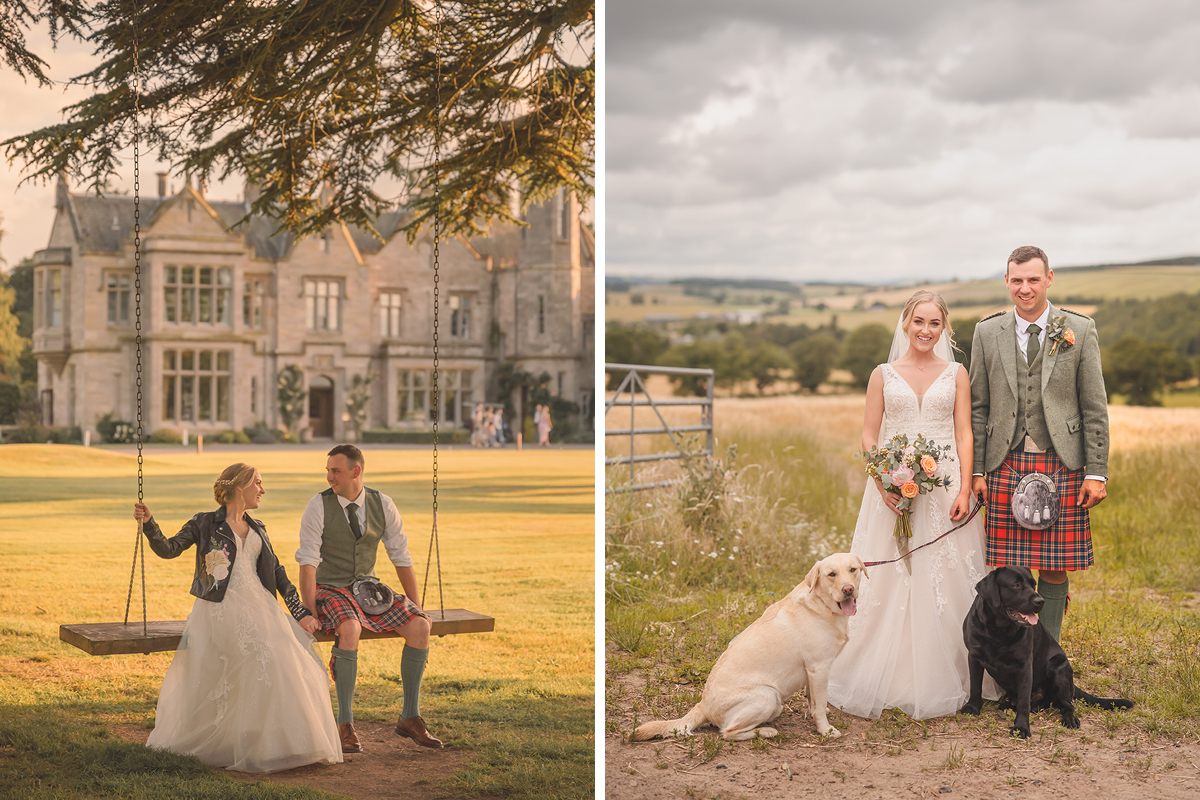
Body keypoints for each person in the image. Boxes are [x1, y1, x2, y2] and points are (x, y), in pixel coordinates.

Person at [827, 290, 999, 720]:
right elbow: (869, 435)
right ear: (905, 323)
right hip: (891, 483)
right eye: (918, 321)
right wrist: (882, 479)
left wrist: (963, 488)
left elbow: (964, 434)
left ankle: (961, 673)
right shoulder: (882, 374)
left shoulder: (957, 373)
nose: (926, 330)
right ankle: (883, 670)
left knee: (948, 573)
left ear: (944, 328)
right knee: (892, 573)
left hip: (945, 486)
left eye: (934, 324)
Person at [134, 464, 342, 773]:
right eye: (258, 482)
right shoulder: (204, 523)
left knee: (289, 659)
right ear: (239, 486)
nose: (262, 489)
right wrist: (149, 523)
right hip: (219, 605)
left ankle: (283, 743)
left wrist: (299, 613)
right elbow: (168, 549)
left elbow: (279, 575)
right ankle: (238, 742)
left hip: (259, 604)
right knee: (261, 656)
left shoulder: (258, 527)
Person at [969, 246, 1109, 643]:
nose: (1025, 288)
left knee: (1054, 566)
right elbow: (979, 407)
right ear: (1008, 281)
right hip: (1003, 462)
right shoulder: (986, 332)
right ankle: (1011, 661)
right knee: (1007, 570)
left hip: (1063, 462)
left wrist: (1096, 472)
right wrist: (976, 471)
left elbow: (1094, 406)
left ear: (1049, 279)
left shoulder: (1079, 330)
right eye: (1017, 280)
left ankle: (1046, 658)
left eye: (1033, 279)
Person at [296, 444, 442, 755]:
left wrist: (417, 606)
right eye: (328, 470)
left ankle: (410, 717)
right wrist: (308, 612)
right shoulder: (318, 505)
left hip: (368, 588)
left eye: (335, 470)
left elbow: (400, 557)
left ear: (355, 471)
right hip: (330, 588)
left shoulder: (382, 503)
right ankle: (345, 724)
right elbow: (307, 563)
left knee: (420, 627)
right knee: (349, 628)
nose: (329, 476)